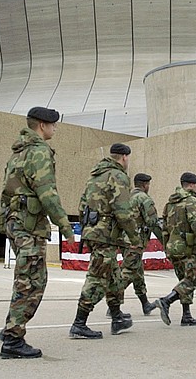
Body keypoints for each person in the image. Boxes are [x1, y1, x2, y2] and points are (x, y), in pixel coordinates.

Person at [0, 107, 75, 359]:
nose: (55, 129)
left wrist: (2, 221)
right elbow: (47, 192)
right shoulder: (39, 151)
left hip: (16, 222)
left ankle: (11, 327)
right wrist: (64, 224)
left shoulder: (17, 153)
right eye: (53, 124)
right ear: (42, 125)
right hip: (29, 226)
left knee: (27, 279)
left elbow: (5, 192)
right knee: (32, 282)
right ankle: (12, 339)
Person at [69, 143, 139, 339]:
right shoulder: (118, 176)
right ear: (124, 157)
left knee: (114, 277)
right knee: (97, 278)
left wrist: (88, 230)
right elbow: (123, 211)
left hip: (94, 232)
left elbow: (82, 206)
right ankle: (79, 323)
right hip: (105, 235)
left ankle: (117, 317)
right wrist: (134, 237)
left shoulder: (95, 176)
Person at [155, 172, 196, 327]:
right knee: (193, 279)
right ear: (192, 185)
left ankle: (186, 315)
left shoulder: (170, 203)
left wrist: (167, 247)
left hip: (173, 247)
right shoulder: (192, 202)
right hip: (188, 247)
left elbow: (164, 228)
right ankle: (166, 301)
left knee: (184, 280)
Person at [116, 173, 160, 316]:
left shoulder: (126, 197)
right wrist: (165, 242)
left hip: (123, 240)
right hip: (135, 242)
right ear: (145, 185)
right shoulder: (143, 198)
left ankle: (145, 303)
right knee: (128, 273)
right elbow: (153, 222)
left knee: (137, 273)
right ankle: (114, 305)